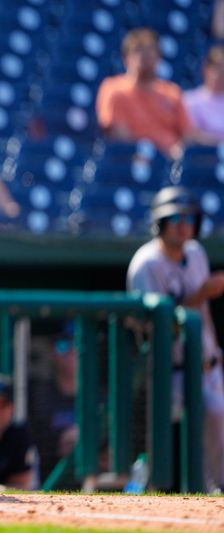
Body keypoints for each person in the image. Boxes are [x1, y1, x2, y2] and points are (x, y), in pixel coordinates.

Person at [127, 186, 224, 493]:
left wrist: (214, 350)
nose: (183, 225)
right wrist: (200, 295)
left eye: (188, 218)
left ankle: (216, 491)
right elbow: (154, 324)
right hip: (168, 370)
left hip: (206, 367)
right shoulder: (146, 264)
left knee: (217, 418)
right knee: (154, 441)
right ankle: (137, 487)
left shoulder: (195, 252)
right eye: (174, 218)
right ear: (160, 222)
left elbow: (203, 313)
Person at [95, 28, 211, 159]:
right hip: (133, 160)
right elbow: (118, 135)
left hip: (172, 162)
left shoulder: (172, 92)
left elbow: (188, 135)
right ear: (126, 58)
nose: (145, 55)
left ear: (159, 57)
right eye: (138, 50)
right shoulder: (114, 88)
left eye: (150, 50)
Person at [27, 322, 78, 483]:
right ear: (53, 352)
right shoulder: (39, 395)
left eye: (76, 344)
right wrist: (58, 443)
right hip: (49, 479)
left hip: (93, 480)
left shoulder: (101, 395)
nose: (70, 352)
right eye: (63, 346)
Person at [183, 45, 224, 143]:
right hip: (203, 157)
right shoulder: (189, 100)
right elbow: (190, 135)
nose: (219, 74)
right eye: (216, 69)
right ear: (205, 69)